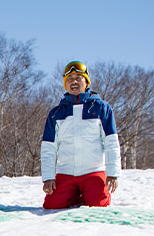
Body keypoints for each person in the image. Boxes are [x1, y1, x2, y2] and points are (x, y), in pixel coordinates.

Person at [40, 60, 121, 209]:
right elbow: (48, 148)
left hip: (93, 172)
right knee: (51, 205)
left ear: (86, 82)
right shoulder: (56, 114)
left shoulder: (101, 108)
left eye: (79, 78)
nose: (74, 82)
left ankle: (89, 193)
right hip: (66, 173)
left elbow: (111, 142)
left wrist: (113, 173)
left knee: (98, 205)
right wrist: (48, 177)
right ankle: (75, 193)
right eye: (70, 79)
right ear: (65, 84)